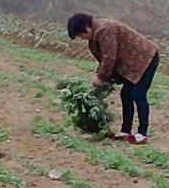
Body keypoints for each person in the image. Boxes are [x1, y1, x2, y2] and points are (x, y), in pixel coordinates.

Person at [67, 13, 159, 145]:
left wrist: (100, 77)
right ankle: (125, 130)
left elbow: (110, 57)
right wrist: (104, 79)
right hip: (130, 64)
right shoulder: (94, 39)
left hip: (146, 59)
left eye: (81, 35)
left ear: (87, 27)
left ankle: (142, 134)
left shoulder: (105, 30)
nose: (82, 38)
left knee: (138, 94)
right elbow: (103, 59)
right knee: (126, 94)